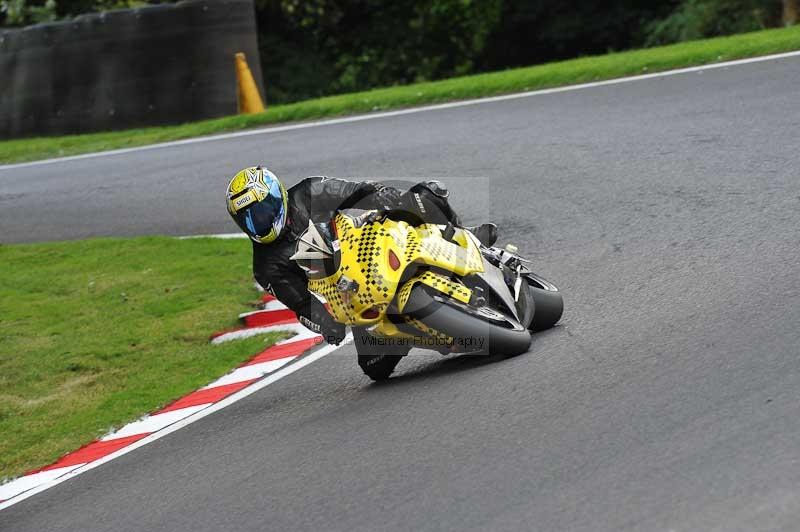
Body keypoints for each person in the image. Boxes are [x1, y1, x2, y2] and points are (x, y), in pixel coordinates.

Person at [224, 166, 497, 347]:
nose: (257, 222)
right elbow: (300, 303)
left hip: (364, 243)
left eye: (260, 212)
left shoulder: (308, 192)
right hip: (347, 293)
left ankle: (466, 236)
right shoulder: (265, 266)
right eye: (247, 219)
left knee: (425, 194)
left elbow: (356, 191)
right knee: (375, 366)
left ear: (277, 196)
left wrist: (381, 195)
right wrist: (325, 325)